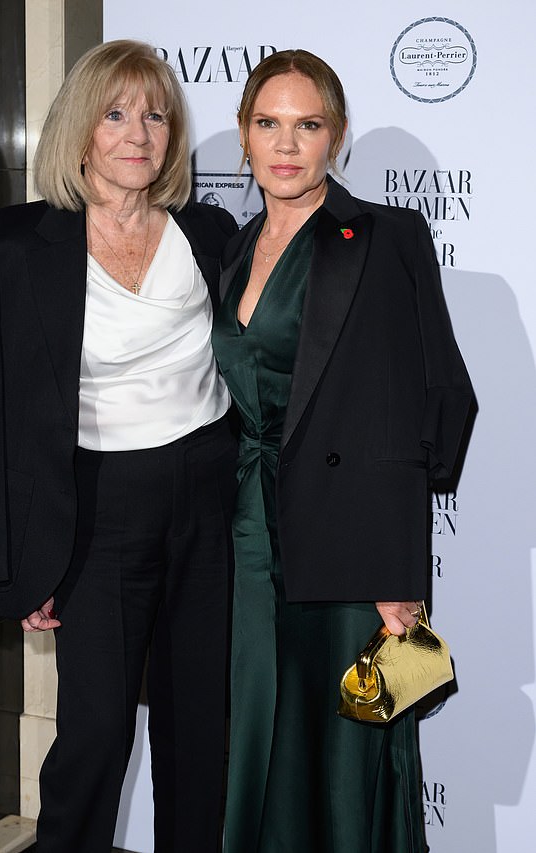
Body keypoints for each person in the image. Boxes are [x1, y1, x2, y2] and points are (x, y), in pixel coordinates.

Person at [0, 39, 238, 853]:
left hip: (209, 502)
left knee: (199, 728)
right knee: (96, 734)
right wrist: (21, 563)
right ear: (81, 131)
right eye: (115, 114)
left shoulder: (209, 233)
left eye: (154, 114)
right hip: (97, 507)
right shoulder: (16, 243)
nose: (138, 132)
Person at [212, 49, 474, 852]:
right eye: (268, 123)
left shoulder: (384, 236)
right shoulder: (230, 246)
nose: (286, 144)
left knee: (348, 748)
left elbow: (436, 400)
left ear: (338, 137)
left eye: (308, 124)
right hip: (245, 534)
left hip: (350, 548)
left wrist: (400, 577)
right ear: (244, 138)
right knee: (259, 729)